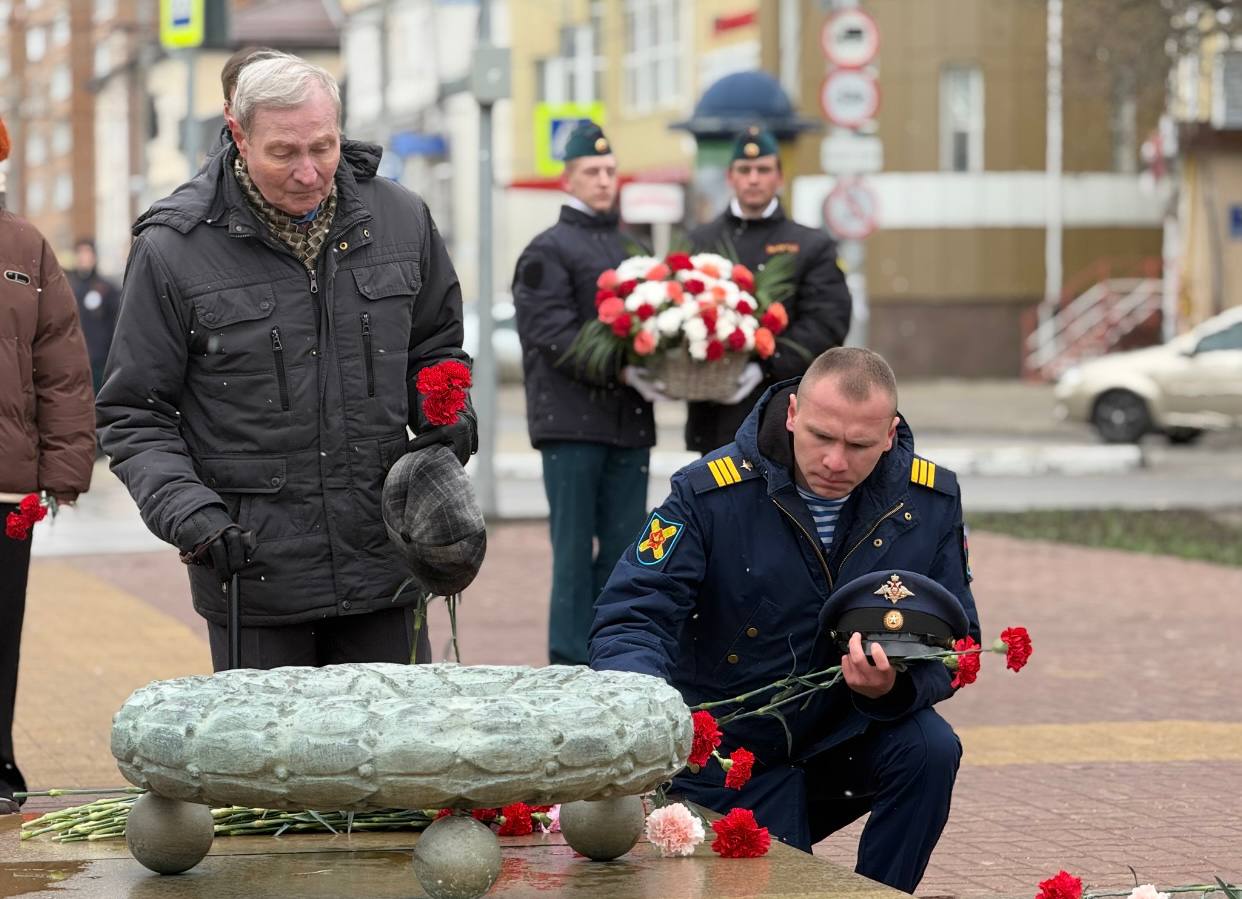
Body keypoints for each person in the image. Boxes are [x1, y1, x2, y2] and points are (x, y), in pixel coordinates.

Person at [97, 55, 476, 672]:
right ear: (237, 133)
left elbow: (436, 347)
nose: (309, 172)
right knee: (272, 769)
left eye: (323, 146)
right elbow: (134, 413)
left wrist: (449, 408)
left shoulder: (401, 218)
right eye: (284, 153)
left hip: (385, 563)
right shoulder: (174, 247)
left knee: (388, 764)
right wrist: (192, 516)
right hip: (253, 571)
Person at [590, 347, 981, 892]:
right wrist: (653, 717)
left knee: (931, 749)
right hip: (732, 752)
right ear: (793, 413)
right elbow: (632, 615)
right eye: (822, 436)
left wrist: (893, 688)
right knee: (774, 886)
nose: (836, 462)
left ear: (890, 435)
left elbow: (956, 643)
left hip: (844, 739)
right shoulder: (708, 493)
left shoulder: (929, 500)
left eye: (859, 445)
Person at [512, 121, 662, 666]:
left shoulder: (632, 245)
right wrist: (622, 372)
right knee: (573, 555)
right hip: (571, 427)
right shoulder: (546, 250)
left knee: (628, 551)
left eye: (609, 171)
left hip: (627, 424)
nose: (603, 181)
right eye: (591, 172)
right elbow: (549, 335)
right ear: (567, 181)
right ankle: (569, 661)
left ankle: (614, 653)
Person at [0, 115, 96, 812]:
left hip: (6, 488)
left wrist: (62, 470)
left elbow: (61, 366)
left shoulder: (24, 247)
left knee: (1, 629)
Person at [684, 126, 852, 455]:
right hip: (713, 418)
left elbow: (827, 324)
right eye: (744, 170)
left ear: (779, 177)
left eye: (763, 169)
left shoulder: (810, 245)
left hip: (783, 415)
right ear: (730, 177)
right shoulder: (700, 242)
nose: (754, 178)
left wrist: (763, 366)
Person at [67, 239, 121, 396]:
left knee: (98, 398)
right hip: (74, 356)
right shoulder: (68, 286)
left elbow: (115, 321)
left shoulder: (106, 287)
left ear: (94, 257)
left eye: (87, 253)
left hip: (99, 357)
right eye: (80, 254)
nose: (83, 258)